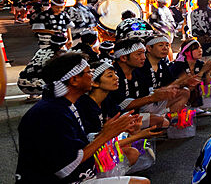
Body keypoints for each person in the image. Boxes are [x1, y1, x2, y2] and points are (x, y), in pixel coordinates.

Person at [16, 52, 151, 184]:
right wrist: (106, 134)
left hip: (79, 173)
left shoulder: (65, 105)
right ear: (74, 80)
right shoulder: (51, 113)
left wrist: (110, 133)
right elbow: (66, 167)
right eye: (88, 72)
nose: (92, 76)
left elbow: (81, 145)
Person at [19, 31, 68, 99]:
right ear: (64, 44)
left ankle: (33, 95)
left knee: (37, 70)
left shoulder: (40, 51)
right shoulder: (61, 55)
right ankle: (53, 94)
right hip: (38, 86)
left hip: (21, 84)